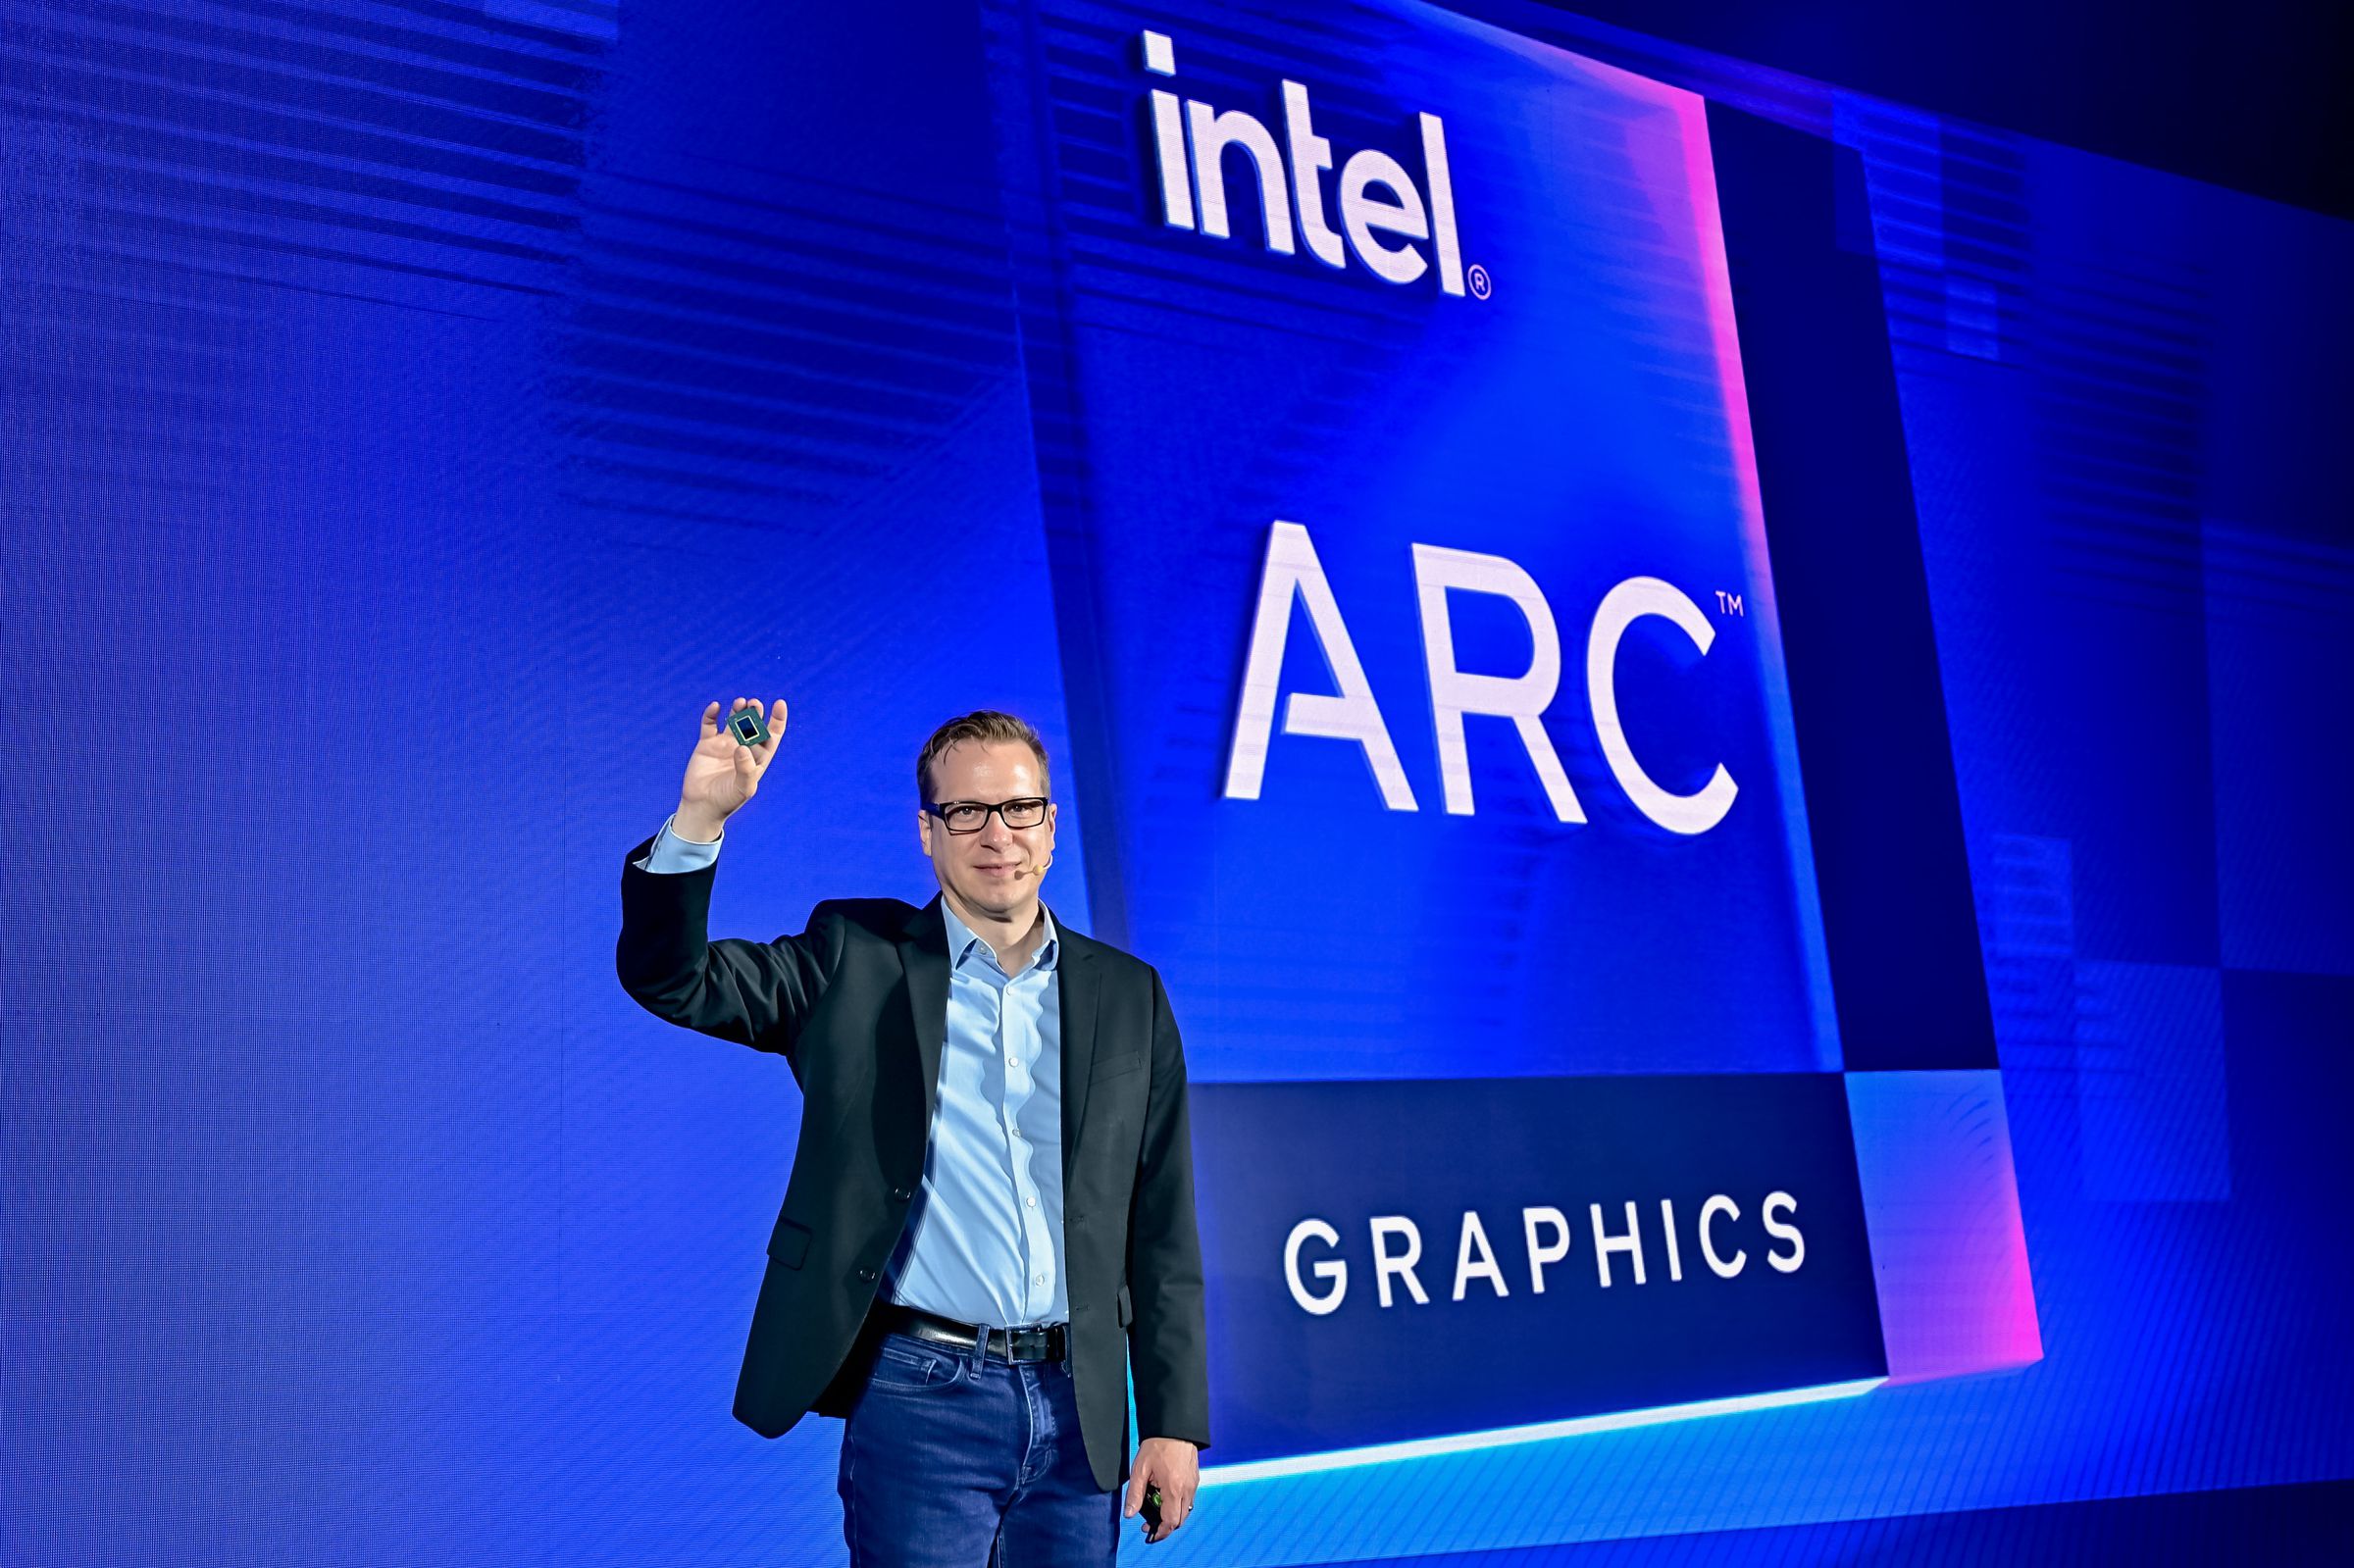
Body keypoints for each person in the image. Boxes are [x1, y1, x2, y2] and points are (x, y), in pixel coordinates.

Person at [616, 699, 1208, 1565]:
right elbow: (674, 979)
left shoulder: (1130, 994)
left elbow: (1162, 1226)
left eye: (1019, 809)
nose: (996, 833)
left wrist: (1171, 1420)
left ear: (1051, 827)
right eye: (965, 811)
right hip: (922, 1401)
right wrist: (702, 818)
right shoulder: (852, 956)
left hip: (1082, 1408)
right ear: (926, 832)